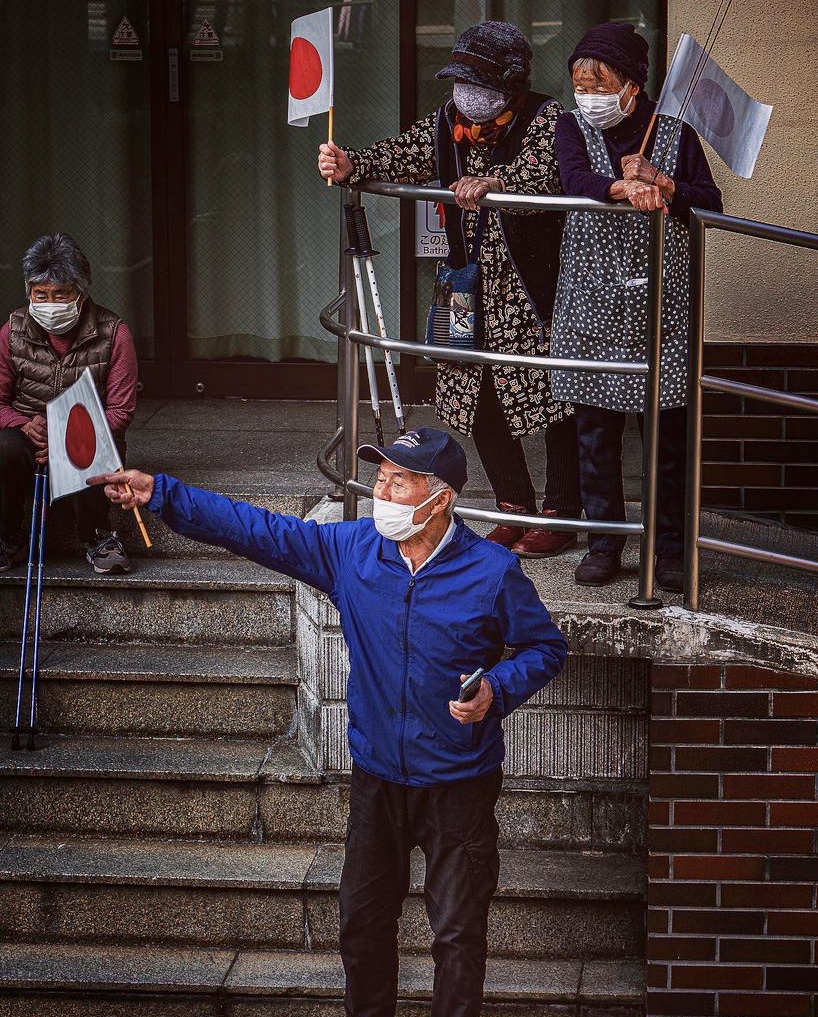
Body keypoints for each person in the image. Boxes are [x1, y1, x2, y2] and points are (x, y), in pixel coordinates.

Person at [90, 426, 567, 1017]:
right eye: (380, 477)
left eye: (399, 480)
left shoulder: (493, 572)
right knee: (362, 925)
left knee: (457, 935)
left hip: (458, 781)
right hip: (377, 779)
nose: (381, 491)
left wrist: (496, 688)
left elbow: (545, 650)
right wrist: (160, 493)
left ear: (439, 498)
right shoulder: (353, 550)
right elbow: (257, 530)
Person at [318, 21, 582, 558]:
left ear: (510, 83)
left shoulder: (547, 118)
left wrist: (497, 182)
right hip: (459, 284)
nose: (463, 93)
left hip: (531, 288)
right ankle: (513, 506)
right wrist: (351, 163)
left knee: (556, 399)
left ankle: (561, 511)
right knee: (473, 392)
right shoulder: (446, 122)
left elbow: (551, 170)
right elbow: (402, 152)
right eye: (458, 80)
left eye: (476, 81)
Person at [550, 22, 723, 591]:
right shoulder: (571, 127)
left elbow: (710, 201)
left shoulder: (673, 133)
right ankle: (604, 545)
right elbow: (574, 178)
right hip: (591, 303)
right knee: (595, 437)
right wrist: (620, 188)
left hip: (661, 307)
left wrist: (665, 185)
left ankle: (669, 548)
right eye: (579, 81)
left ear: (630, 83)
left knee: (666, 440)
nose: (587, 93)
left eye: (598, 81)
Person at [0, 233, 137, 574]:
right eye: (40, 294)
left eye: (61, 293)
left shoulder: (114, 333)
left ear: (81, 291)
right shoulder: (12, 331)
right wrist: (22, 424)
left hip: (89, 431)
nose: (50, 303)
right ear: (29, 293)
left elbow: (120, 412)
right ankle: (7, 537)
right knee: (3, 445)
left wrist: (67, 439)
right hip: (30, 436)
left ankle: (97, 536)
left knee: (87, 449)